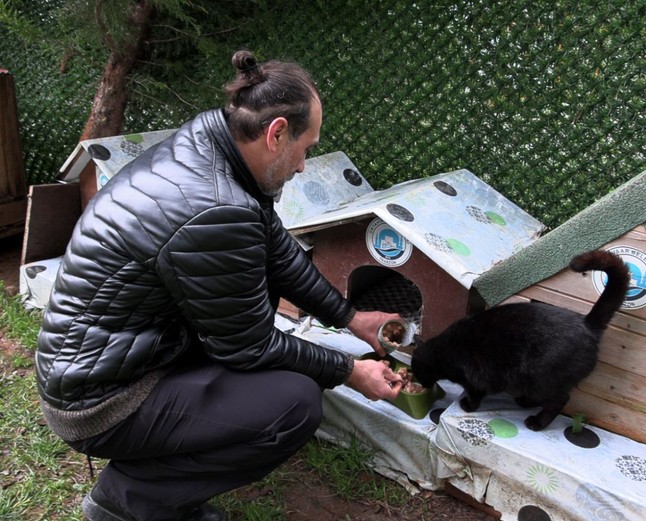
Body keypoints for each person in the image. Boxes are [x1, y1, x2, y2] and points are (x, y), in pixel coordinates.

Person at [35, 50, 404, 521]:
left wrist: (352, 319)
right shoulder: (216, 208)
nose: (303, 167)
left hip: (110, 357)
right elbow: (248, 348)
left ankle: (159, 462)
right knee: (294, 405)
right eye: (306, 148)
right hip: (102, 401)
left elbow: (279, 254)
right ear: (276, 134)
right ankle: (129, 500)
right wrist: (351, 371)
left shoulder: (210, 145)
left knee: (263, 309)